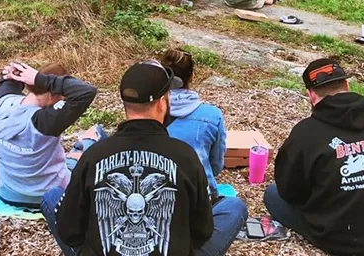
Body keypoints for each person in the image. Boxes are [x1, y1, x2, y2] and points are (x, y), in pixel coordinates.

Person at [42, 60, 247, 256]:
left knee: (52, 197)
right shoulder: (186, 156)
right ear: (161, 103)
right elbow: (202, 232)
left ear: (125, 103)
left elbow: (70, 231)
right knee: (234, 207)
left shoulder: (93, 156)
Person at [266, 58, 364, 256]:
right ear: (347, 85)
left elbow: (289, 191)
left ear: (311, 95)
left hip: (343, 239)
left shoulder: (306, 132)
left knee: (272, 194)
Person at [0, 61, 99, 207]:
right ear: (53, 95)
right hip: (49, 195)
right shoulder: (45, 121)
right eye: (61, 97)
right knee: (93, 136)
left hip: (8, 193)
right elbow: (86, 92)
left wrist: (14, 74)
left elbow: (7, 83)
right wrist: (39, 79)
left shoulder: (2, 103)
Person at [158, 49, 226, 198]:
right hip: (198, 196)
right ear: (192, 76)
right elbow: (216, 165)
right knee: (236, 207)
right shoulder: (212, 115)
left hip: (159, 194)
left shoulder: (145, 111)